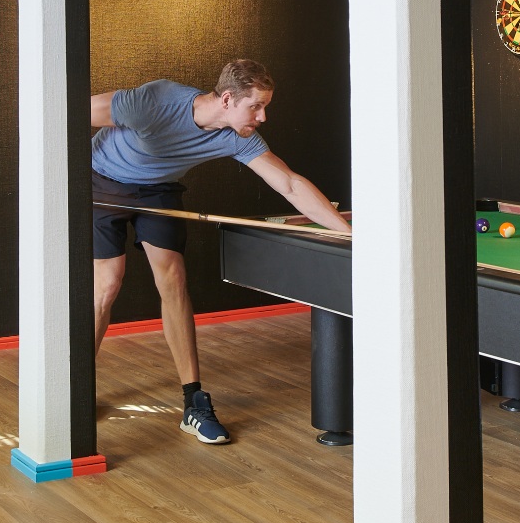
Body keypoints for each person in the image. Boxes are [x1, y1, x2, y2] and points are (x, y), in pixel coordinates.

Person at [90, 59, 350, 444]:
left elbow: (291, 184)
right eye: (255, 106)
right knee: (108, 285)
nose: (262, 116)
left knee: (174, 280)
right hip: (102, 182)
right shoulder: (156, 101)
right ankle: (75, 389)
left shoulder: (237, 135)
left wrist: (349, 235)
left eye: (265, 107)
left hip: (158, 189)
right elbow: (72, 111)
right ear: (228, 99)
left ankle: (193, 401)